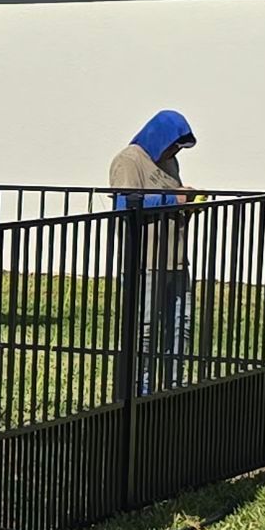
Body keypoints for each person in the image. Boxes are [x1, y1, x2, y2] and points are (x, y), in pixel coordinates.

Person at [109, 110, 195, 391]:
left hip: (176, 259)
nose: (174, 151)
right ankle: (139, 389)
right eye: (173, 144)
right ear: (160, 136)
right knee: (143, 329)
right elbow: (125, 206)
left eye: (179, 147)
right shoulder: (129, 161)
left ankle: (174, 384)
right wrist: (173, 198)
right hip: (146, 261)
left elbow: (176, 204)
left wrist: (189, 203)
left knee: (181, 325)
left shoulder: (171, 163)